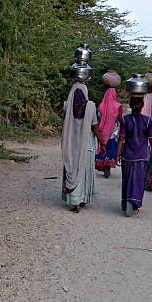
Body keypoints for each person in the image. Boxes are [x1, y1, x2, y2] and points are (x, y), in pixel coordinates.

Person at [61, 73, 105, 213]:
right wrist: (102, 142)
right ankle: (81, 199)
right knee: (83, 170)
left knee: (72, 169)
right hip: (86, 144)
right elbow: (95, 127)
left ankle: (74, 201)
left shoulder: (67, 105)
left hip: (71, 143)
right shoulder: (90, 107)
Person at [116, 95, 152, 217]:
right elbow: (151, 139)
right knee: (138, 181)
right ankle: (135, 202)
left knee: (127, 179)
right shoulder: (147, 120)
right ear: (142, 106)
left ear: (130, 105)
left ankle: (126, 203)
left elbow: (121, 139)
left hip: (127, 155)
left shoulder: (125, 120)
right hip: (141, 156)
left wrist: (117, 154)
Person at [95, 87, 123, 178]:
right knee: (111, 148)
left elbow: (98, 118)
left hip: (102, 131)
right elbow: (120, 119)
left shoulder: (101, 106)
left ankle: (102, 165)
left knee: (103, 147)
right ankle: (107, 167)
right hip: (112, 132)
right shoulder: (118, 106)